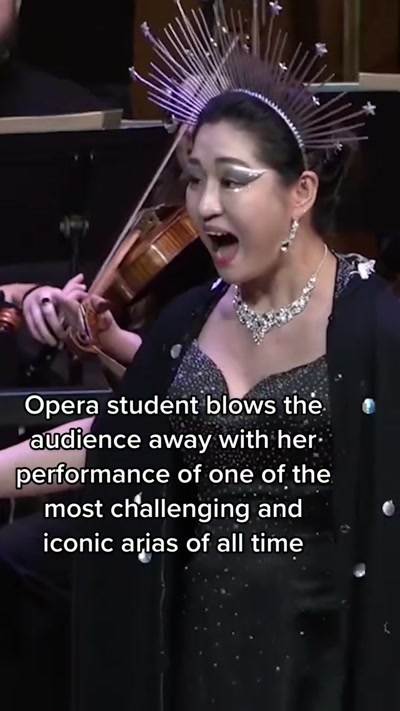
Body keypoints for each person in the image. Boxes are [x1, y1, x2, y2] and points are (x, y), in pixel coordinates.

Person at [0, 4, 397, 709]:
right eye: (193, 178)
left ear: (301, 192)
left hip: (319, 673)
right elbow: (115, 446)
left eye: (232, 180)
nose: (205, 205)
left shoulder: (373, 330)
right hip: (188, 656)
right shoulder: (188, 321)